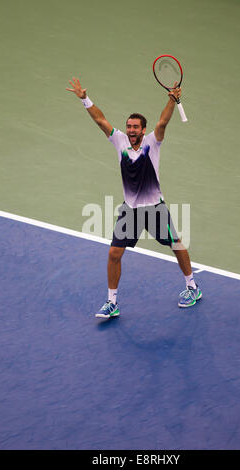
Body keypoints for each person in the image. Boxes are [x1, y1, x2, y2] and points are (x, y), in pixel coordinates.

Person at [66, 77, 202, 318]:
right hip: (130, 210)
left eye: (135, 127)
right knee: (114, 254)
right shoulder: (119, 140)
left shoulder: (153, 142)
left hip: (155, 209)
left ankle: (192, 286)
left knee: (176, 244)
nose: (130, 130)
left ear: (142, 129)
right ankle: (111, 302)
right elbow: (100, 119)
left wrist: (171, 99)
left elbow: (163, 122)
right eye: (128, 126)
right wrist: (85, 99)